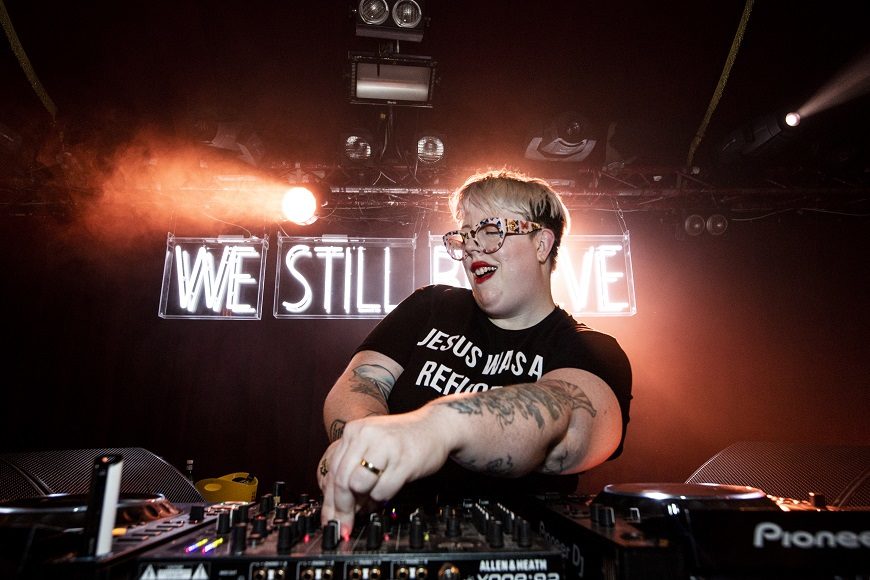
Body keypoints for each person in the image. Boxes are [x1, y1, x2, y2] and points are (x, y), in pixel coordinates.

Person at [317, 168, 632, 537]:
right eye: (464, 235)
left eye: (490, 231)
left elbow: (568, 422)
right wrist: (359, 451)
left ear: (542, 244)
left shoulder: (592, 349)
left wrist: (437, 428)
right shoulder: (431, 306)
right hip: (393, 532)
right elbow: (362, 381)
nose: (469, 248)